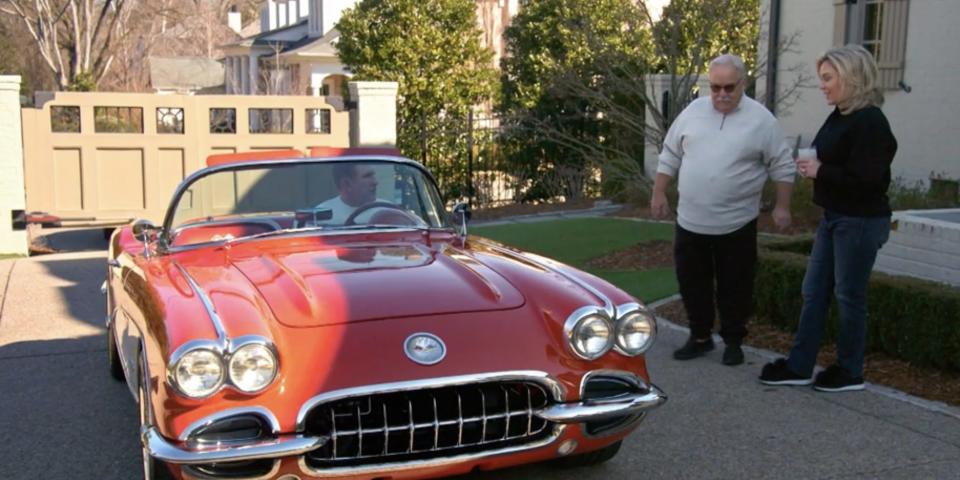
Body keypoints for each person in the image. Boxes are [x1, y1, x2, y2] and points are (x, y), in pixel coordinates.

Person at [759, 44, 896, 392]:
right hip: (836, 217)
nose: (822, 85)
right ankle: (800, 365)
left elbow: (868, 181)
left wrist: (822, 170)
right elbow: (835, 164)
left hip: (861, 220)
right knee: (814, 290)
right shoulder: (841, 114)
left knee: (849, 296)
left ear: (850, 77)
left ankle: (850, 372)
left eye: (827, 78)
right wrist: (815, 168)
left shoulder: (871, 122)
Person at [651, 54, 795, 366]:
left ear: (743, 84)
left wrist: (783, 206)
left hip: (737, 223)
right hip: (690, 221)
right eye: (715, 88)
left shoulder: (762, 121)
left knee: (735, 285)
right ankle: (700, 337)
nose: (722, 94)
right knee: (692, 283)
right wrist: (659, 191)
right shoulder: (693, 112)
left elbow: (783, 164)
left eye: (729, 87)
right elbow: (671, 153)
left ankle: (733, 342)